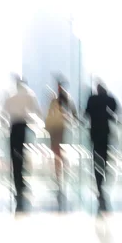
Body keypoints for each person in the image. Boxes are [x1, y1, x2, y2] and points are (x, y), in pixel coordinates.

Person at [3, 79, 43, 212]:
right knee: (22, 156)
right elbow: (37, 111)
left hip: (14, 127)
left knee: (15, 158)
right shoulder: (29, 95)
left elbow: (4, 112)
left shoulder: (11, 96)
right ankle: (22, 184)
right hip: (23, 126)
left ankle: (18, 184)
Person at [85, 83, 122, 213]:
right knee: (106, 161)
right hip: (105, 135)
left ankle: (99, 187)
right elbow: (117, 114)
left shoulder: (92, 99)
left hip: (95, 135)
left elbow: (86, 114)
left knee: (97, 161)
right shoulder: (109, 99)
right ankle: (103, 185)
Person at [44, 80, 78, 208]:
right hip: (59, 128)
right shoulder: (62, 99)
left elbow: (51, 114)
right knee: (57, 153)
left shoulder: (61, 100)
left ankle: (60, 175)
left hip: (57, 129)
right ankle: (60, 174)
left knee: (57, 152)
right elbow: (73, 115)